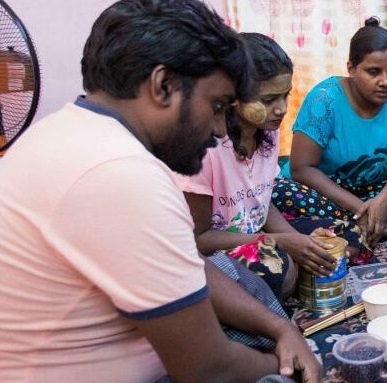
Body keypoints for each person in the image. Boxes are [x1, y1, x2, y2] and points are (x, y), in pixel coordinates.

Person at [0, 1, 321, 382]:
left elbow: (190, 264)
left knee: (241, 288)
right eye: (216, 105)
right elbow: (208, 370)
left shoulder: (70, 133)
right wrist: (288, 365)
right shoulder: (122, 175)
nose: (220, 130)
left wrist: (280, 328)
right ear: (163, 85)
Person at [178, 33, 362, 301]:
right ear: (233, 97)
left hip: (257, 234)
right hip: (216, 253)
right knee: (280, 269)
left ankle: (296, 275)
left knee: (346, 233)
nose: (282, 109)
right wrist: (280, 242)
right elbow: (199, 239)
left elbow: (261, 204)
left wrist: (301, 243)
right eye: (268, 100)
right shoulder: (206, 147)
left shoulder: (268, 132)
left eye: (285, 96)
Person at [273, 17, 387, 250]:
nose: (385, 81)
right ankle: (374, 227)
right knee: (279, 194)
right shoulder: (324, 101)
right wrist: (359, 208)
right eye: (374, 72)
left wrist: (382, 201)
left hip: (375, 191)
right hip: (326, 194)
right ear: (351, 68)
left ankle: (374, 229)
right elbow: (302, 168)